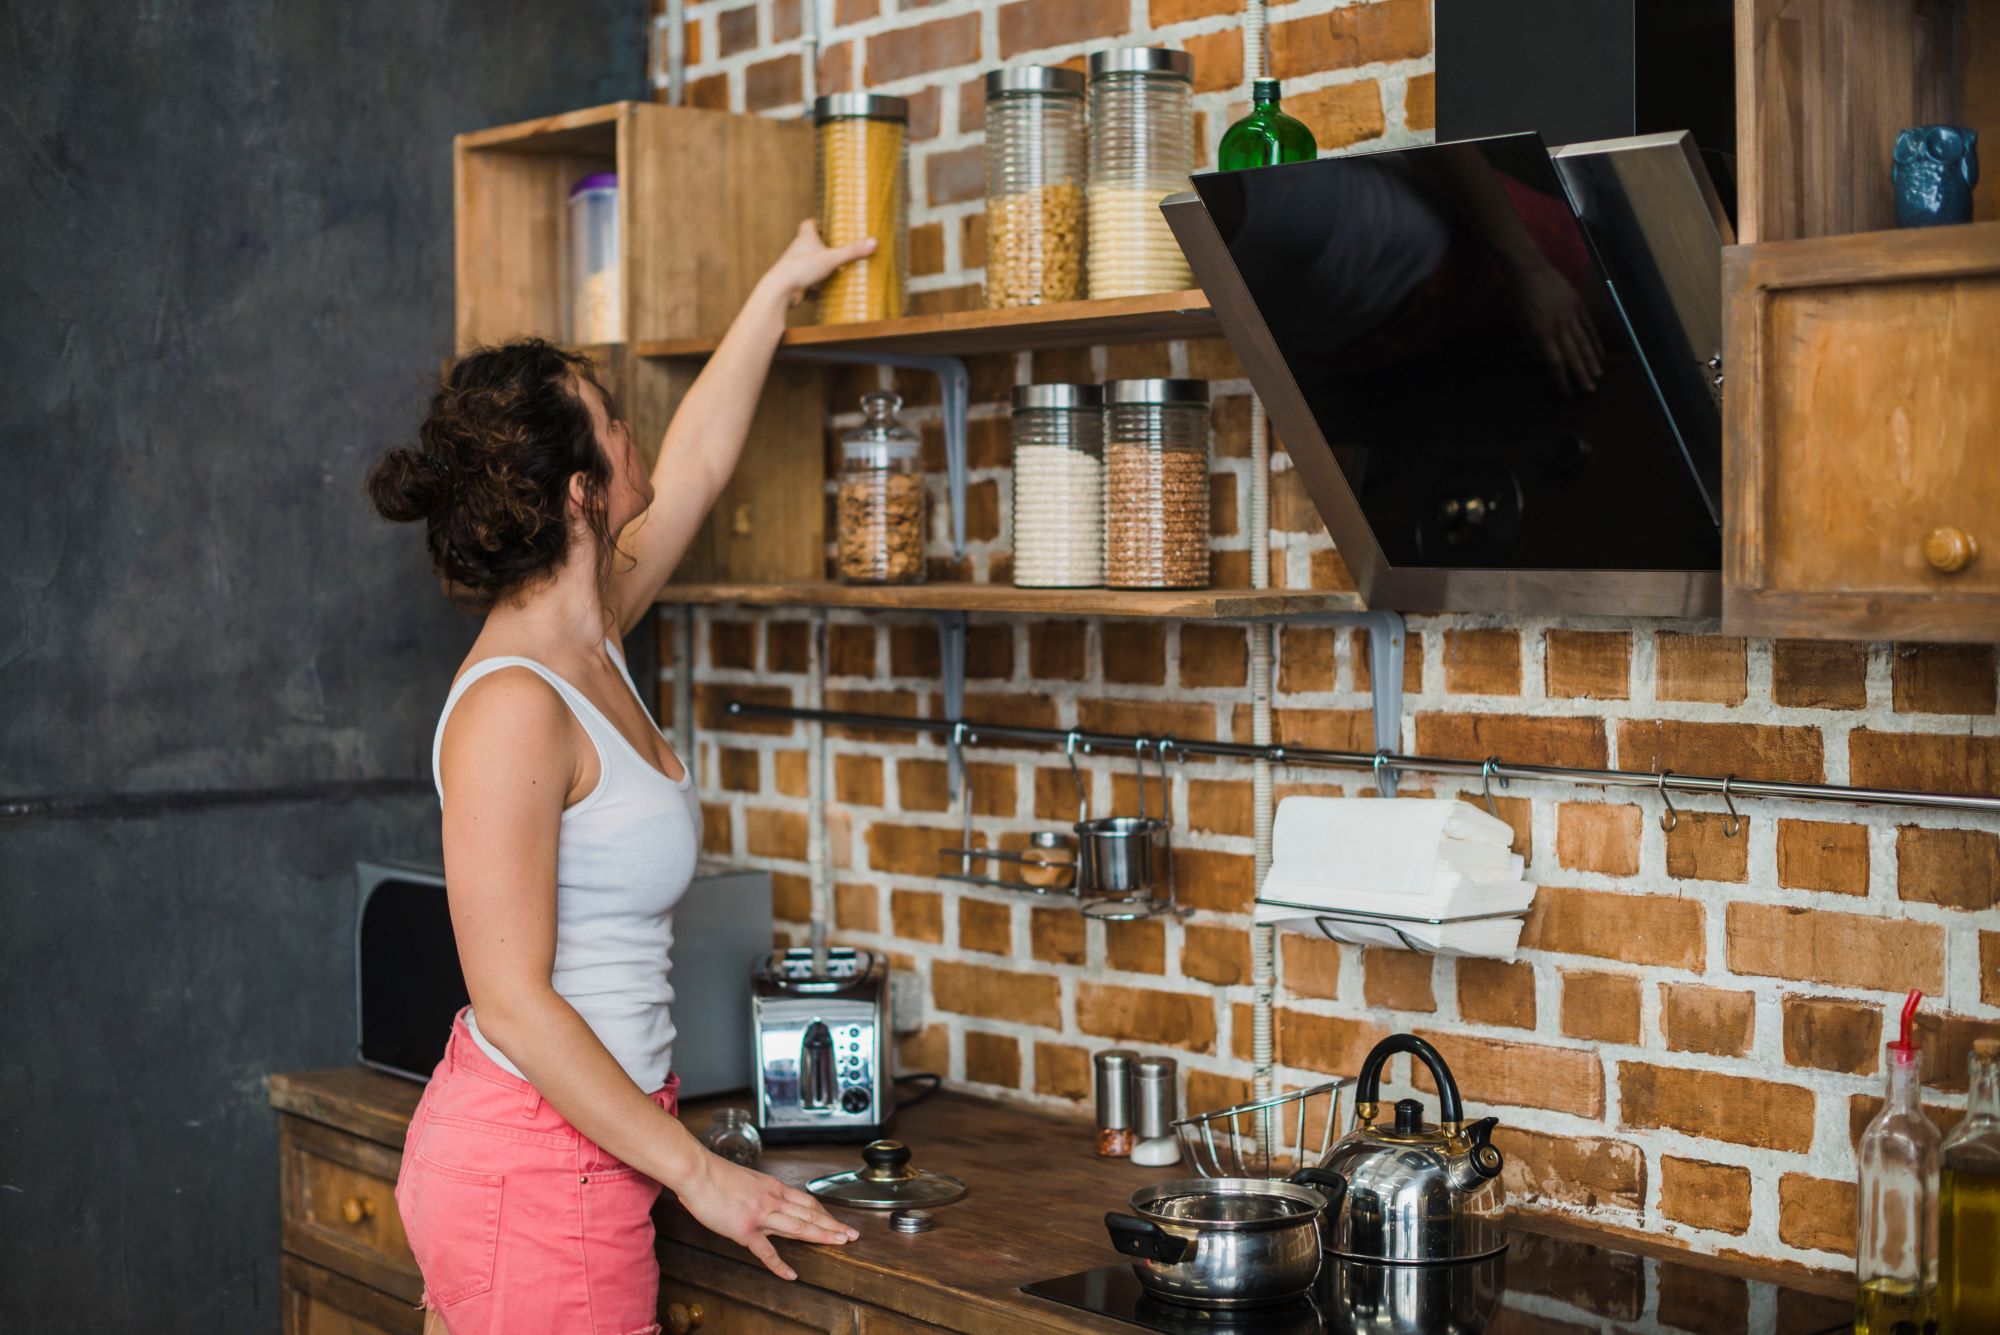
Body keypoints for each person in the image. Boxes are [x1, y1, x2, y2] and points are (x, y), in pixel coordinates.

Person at [365, 220, 872, 1335]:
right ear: (580, 492)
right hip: (534, 1170)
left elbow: (695, 461)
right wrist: (700, 1174)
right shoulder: (515, 704)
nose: (634, 426)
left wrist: (779, 286)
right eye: (610, 413)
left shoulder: (593, 641)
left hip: (585, 1151)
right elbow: (514, 1002)